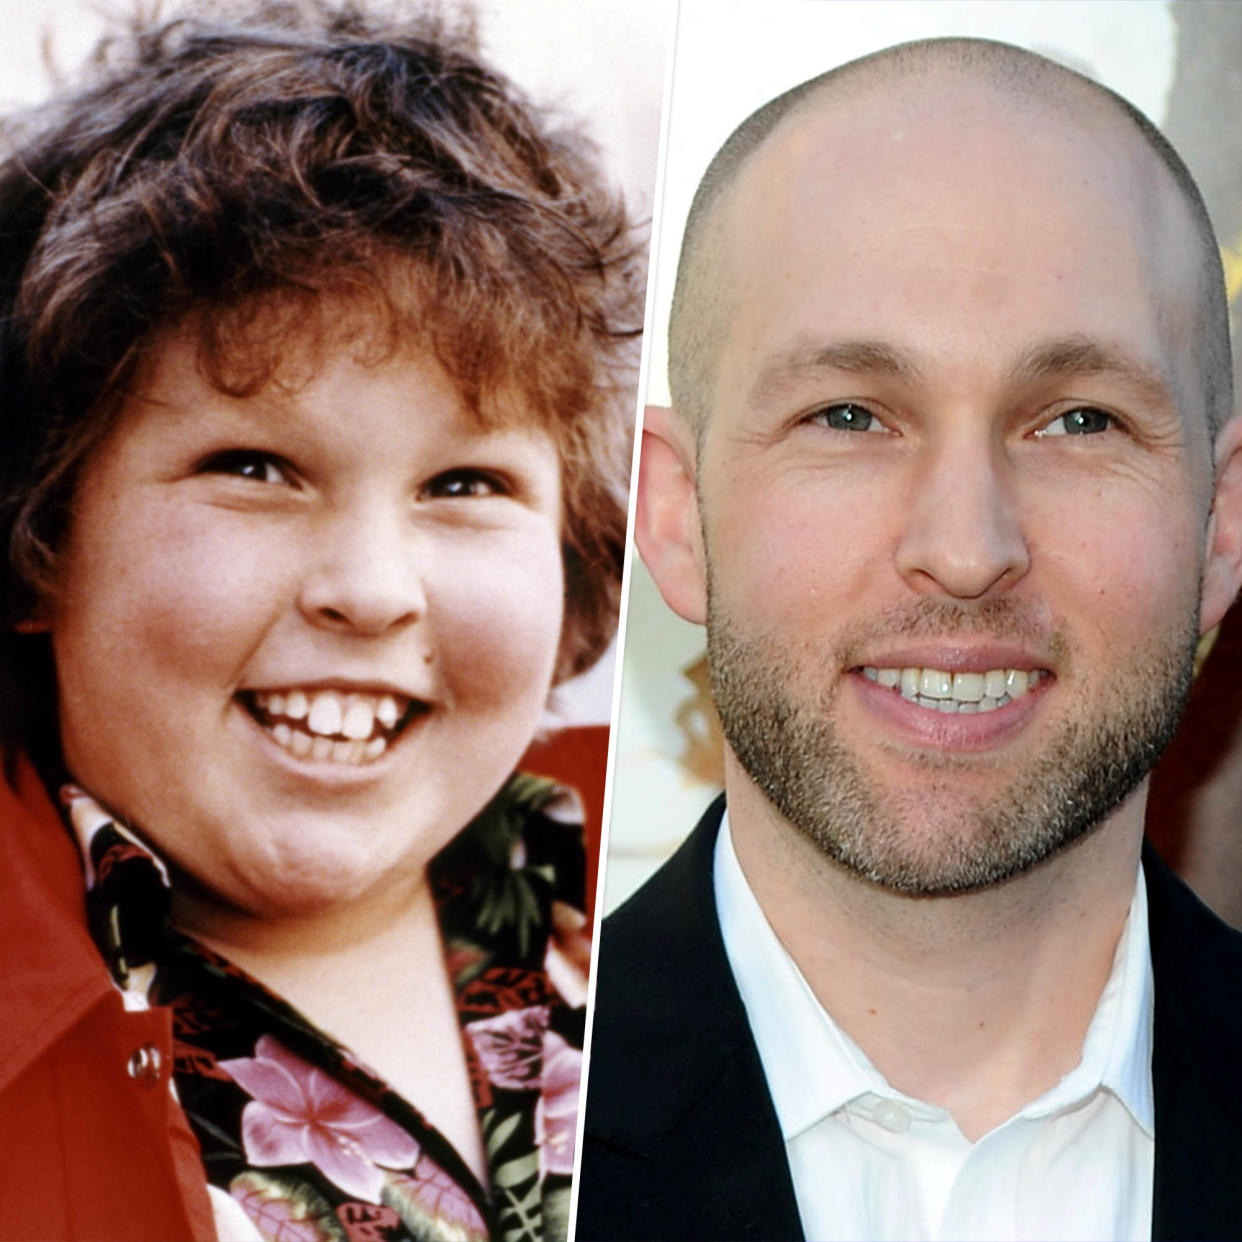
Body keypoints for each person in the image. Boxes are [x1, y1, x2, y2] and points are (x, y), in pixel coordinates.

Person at [578, 35, 1242, 1242]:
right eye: (850, 415)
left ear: (1222, 524)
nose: (967, 545)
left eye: (1079, 419)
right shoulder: (458, 1164)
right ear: (675, 516)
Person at [0, 3, 642, 1239]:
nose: (373, 587)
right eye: (254, 466)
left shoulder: (663, 883)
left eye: (465, 486)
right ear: (41, 541)